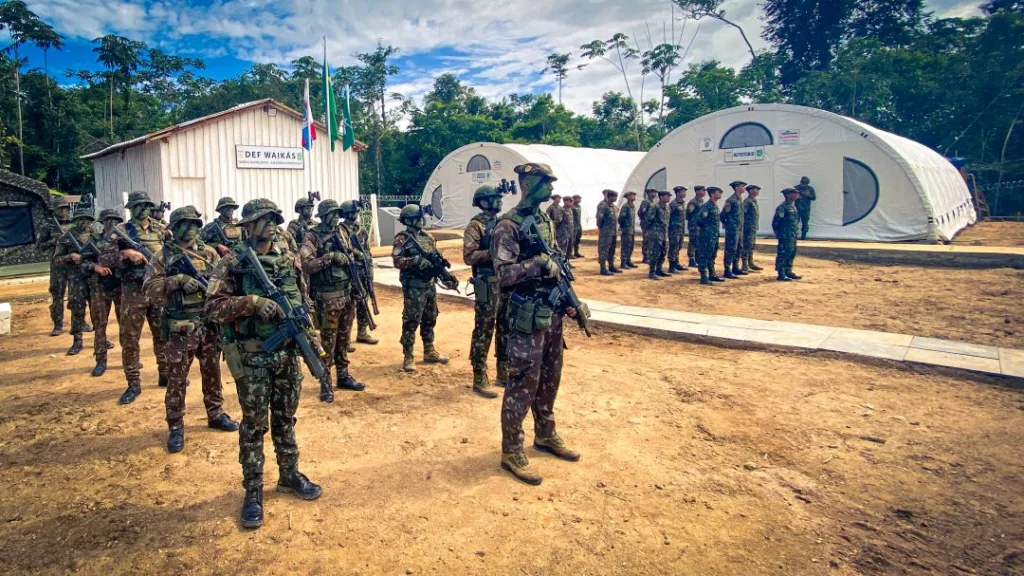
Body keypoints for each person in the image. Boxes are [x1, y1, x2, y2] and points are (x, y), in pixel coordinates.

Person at [204, 199, 322, 530]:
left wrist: (312, 339)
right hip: (254, 356)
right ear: (249, 226)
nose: (271, 224)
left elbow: (302, 301)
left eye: (274, 219)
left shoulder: (288, 259)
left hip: (287, 355)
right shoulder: (233, 262)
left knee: (285, 418)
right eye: (264, 220)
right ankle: (253, 491)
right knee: (254, 425)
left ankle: (289, 475)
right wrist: (252, 303)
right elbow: (212, 307)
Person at [491, 162, 581, 485]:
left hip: (551, 314)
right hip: (526, 317)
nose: (552, 189)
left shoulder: (544, 220)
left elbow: (558, 261)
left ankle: (545, 433)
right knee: (523, 382)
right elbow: (503, 275)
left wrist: (571, 302)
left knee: (550, 378)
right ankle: (511, 449)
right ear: (529, 185)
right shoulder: (508, 226)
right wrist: (537, 264)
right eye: (546, 183)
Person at [143, 206, 238, 453]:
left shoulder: (209, 254)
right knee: (177, 379)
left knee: (212, 372)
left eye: (195, 223)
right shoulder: (162, 256)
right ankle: (175, 425)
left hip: (208, 325)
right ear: (174, 228)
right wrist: (177, 282)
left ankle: (215, 413)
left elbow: (225, 285)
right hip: (180, 327)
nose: (192, 228)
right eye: (186, 223)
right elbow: (149, 290)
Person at [100, 191, 169, 404]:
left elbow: (172, 253)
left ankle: (165, 374)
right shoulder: (120, 231)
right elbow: (104, 257)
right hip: (133, 292)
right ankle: (133, 383)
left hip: (157, 291)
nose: (144, 209)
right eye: (139, 205)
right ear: (131, 208)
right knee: (130, 339)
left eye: (147, 205)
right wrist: (125, 254)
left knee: (163, 335)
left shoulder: (161, 229)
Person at [299, 199, 367, 401]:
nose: (337, 216)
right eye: (333, 213)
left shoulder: (343, 231)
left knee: (344, 338)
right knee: (328, 341)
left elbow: (350, 253)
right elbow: (306, 264)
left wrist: (354, 255)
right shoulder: (313, 235)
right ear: (325, 216)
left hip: (346, 293)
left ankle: (343, 375)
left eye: (338, 213)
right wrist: (330, 257)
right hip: (328, 297)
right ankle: (325, 382)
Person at [392, 204, 454, 373]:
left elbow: (436, 260)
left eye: (421, 217)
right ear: (408, 220)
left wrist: (444, 275)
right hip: (413, 286)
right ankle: (408, 356)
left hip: (429, 285)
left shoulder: (428, 237)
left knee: (430, 317)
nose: (421, 220)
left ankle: (429, 350)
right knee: (411, 320)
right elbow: (397, 261)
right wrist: (415, 261)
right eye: (417, 218)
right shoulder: (402, 239)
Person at [463, 185, 505, 399]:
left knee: (506, 326)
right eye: (494, 199)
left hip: (506, 281)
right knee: (484, 328)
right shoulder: (475, 226)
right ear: (484, 202)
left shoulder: (504, 223)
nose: (499, 202)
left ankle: (503, 370)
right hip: (486, 283)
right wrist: (494, 252)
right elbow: (469, 256)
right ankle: (479, 375)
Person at [52, 205, 100, 356]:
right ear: (75, 220)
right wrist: (70, 257)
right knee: (77, 310)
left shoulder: (96, 236)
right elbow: (56, 260)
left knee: (98, 311)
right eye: (81, 219)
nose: (84, 222)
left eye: (87, 219)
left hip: (94, 278)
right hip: (76, 279)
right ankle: (77, 341)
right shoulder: (66, 238)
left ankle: (101, 340)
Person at [83, 209, 123, 377]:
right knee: (100, 325)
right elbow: (83, 263)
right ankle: (101, 360)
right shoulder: (94, 240)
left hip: (121, 287)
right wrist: (95, 267)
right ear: (102, 222)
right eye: (108, 220)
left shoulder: (123, 240)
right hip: (100, 287)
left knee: (126, 326)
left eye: (115, 220)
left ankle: (129, 359)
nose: (112, 223)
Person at [339, 200, 378, 347]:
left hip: (363, 270)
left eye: (356, 212)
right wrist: (357, 254)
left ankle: (362, 332)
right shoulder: (341, 230)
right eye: (353, 212)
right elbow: (344, 248)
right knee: (349, 305)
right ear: (346, 213)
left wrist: (369, 267)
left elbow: (367, 250)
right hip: (350, 271)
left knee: (363, 301)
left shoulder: (360, 229)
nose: (355, 214)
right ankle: (345, 339)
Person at [38, 197, 75, 336]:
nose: (63, 211)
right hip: (58, 266)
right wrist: (54, 240)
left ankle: (79, 322)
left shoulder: (74, 224)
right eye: (60, 208)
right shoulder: (48, 226)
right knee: (57, 296)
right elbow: (39, 246)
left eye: (65, 208)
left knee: (77, 296)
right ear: (54, 210)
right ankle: (58, 325)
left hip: (74, 265)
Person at [694, 187, 724, 285]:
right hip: (707, 236)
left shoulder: (715, 206)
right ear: (712, 194)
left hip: (714, 236)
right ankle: (704, 276)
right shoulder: (707, 206)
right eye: (718, 192)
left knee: (712, 255)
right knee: (705, 255)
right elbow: (700, 220)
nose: (720, 194)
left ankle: (712, 274)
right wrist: (707, 231)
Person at [773, 188, 803, 281]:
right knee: (783, 253)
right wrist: (778, 232)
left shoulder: (792, 206)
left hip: (792, 234)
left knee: (791, 252)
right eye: (794, 193)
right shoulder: (783, 207)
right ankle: (781, 273)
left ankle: (788, 270)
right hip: (785, 234)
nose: (797, 195)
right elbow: (776, 221)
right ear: (788, 195)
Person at [645, 190, 672, 279]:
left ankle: (659, 269)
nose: (668, 198)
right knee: (654, 253)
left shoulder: (667, 207)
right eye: (666, 196)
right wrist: (650, 231)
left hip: (664, 234)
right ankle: (652, 272)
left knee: (663, 252)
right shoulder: (654, 207)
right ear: (661, 197)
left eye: (669, 196)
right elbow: (648, 220)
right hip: (655, 234)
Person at [595, 189, 620, 276]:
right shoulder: (603, 206)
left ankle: (611, 266)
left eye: (616, 196)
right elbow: (599, 219)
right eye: (613, 196)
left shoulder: (613, 206)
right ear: (609, 197)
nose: (615, 198)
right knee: (604, 249)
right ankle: (603, 268)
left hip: (613, 232)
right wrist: (601, 228)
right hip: (606, 232)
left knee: (611, 250)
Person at [741, 185, 763, 273]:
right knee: (747, 245)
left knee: (752, 245)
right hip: (747, 227)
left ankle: (750, 262)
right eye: (755, 189)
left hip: (753, 227)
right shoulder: (747, 202)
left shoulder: (754, 201)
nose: (757, 191)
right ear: (750, 191)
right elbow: (743, 214)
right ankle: (744, 264)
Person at [668, 186, 689, 273]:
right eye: (682, 192)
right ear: (677, 193)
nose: (684, 194)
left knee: (678, 247)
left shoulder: (682, 203)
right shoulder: (673, 204)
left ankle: (676, 263)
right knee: (673, 247)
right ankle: (671, 266)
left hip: (680, 229)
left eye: (684, 192)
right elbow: (668, 216)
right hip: (674, 230)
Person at [685, 186, 706, 268]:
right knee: (693, 242)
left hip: (699, 225)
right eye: (702, 190)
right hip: (694, 225)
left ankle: (697, 259)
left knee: (698, 242)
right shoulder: (693, 202)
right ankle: (691, 260)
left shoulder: (701, 201)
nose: (704, 192)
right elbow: (689, 213)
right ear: (697, 191)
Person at [618, 190, 638, 269]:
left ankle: (628, 261)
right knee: (625, 246)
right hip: (626, 230)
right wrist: (623, 227)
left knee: (631, 246)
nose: (634, 197)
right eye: (632, 195)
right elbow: (621, 218)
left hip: (631, 230)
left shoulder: (632, 206)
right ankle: (623, 262)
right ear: (628, 197)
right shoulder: (625, 206)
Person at [637, 188, 657, 264]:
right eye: (653, 192)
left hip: (652, 225)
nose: (654, 194)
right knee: (646, 241)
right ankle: (646, 257)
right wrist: (645, 220)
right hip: (646, 224)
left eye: (655, 193)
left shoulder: (653, 202)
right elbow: (641, 212)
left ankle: (649, 256)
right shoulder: (645, 202)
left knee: (651, 240)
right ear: (648, 193)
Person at [570, 194, 584, 258]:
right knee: (572, 240)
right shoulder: (571, 206)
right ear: (574, 199)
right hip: (573, 226)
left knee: (577, 240)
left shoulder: (579, 206)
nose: (579, 200)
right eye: (578, 198)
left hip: (578, 225)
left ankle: (576, 252)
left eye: (580, 198)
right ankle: (570, 253)